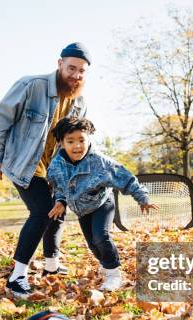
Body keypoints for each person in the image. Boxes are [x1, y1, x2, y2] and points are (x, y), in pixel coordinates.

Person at [0, 43, 91, 298]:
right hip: (23, 163)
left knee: (58, 209)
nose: (76, 75)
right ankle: (17, 277)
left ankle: (51, 265)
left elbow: (77, 138)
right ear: (59, 64)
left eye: (82, 71)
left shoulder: (80, 101)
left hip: (55, 168)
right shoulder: (31, 85)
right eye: (71, 68)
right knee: (42, 212)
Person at [47, 117, 158, 291]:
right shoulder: (56, 166)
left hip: (102, 203)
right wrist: (60, 201)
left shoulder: (100, 162)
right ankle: (106, 264)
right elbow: (59, 186)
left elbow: (125, 178)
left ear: (88, 139)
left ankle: (114, 274)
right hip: (82, 209)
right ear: (61, 143)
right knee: (92, 244)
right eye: (71, 141)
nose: (77, 146)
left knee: (101, 236)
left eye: (82, 140)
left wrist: (142, 198)